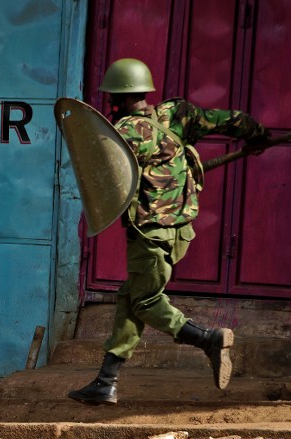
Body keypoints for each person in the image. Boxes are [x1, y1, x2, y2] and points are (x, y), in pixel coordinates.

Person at [68, 58, 270, 405]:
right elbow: (232, 120)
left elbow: (107, 178)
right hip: (179, 232)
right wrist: (257, 136)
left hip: (151, 232)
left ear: (117, 97)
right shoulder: (177, 115)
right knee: (132, 296)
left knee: (146, 301)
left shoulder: (126, 132)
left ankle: (208, 339)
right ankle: (106, 381)